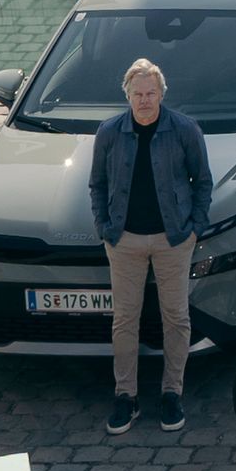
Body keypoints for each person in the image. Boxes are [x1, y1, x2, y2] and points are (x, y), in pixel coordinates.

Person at [84, 56, 212, 432]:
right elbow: (98, 185)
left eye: (150, 93)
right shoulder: (109, 133)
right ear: (127, 95)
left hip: (173, 240)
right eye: (138, 93)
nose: (144, 100)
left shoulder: (184, 130)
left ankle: (172, 393)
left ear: (161, 94)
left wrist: (194, 229)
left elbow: (203, 182)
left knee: (176, 318)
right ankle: (126, 396)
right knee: (125, 320)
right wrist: (105, 228)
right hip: (124, 240)